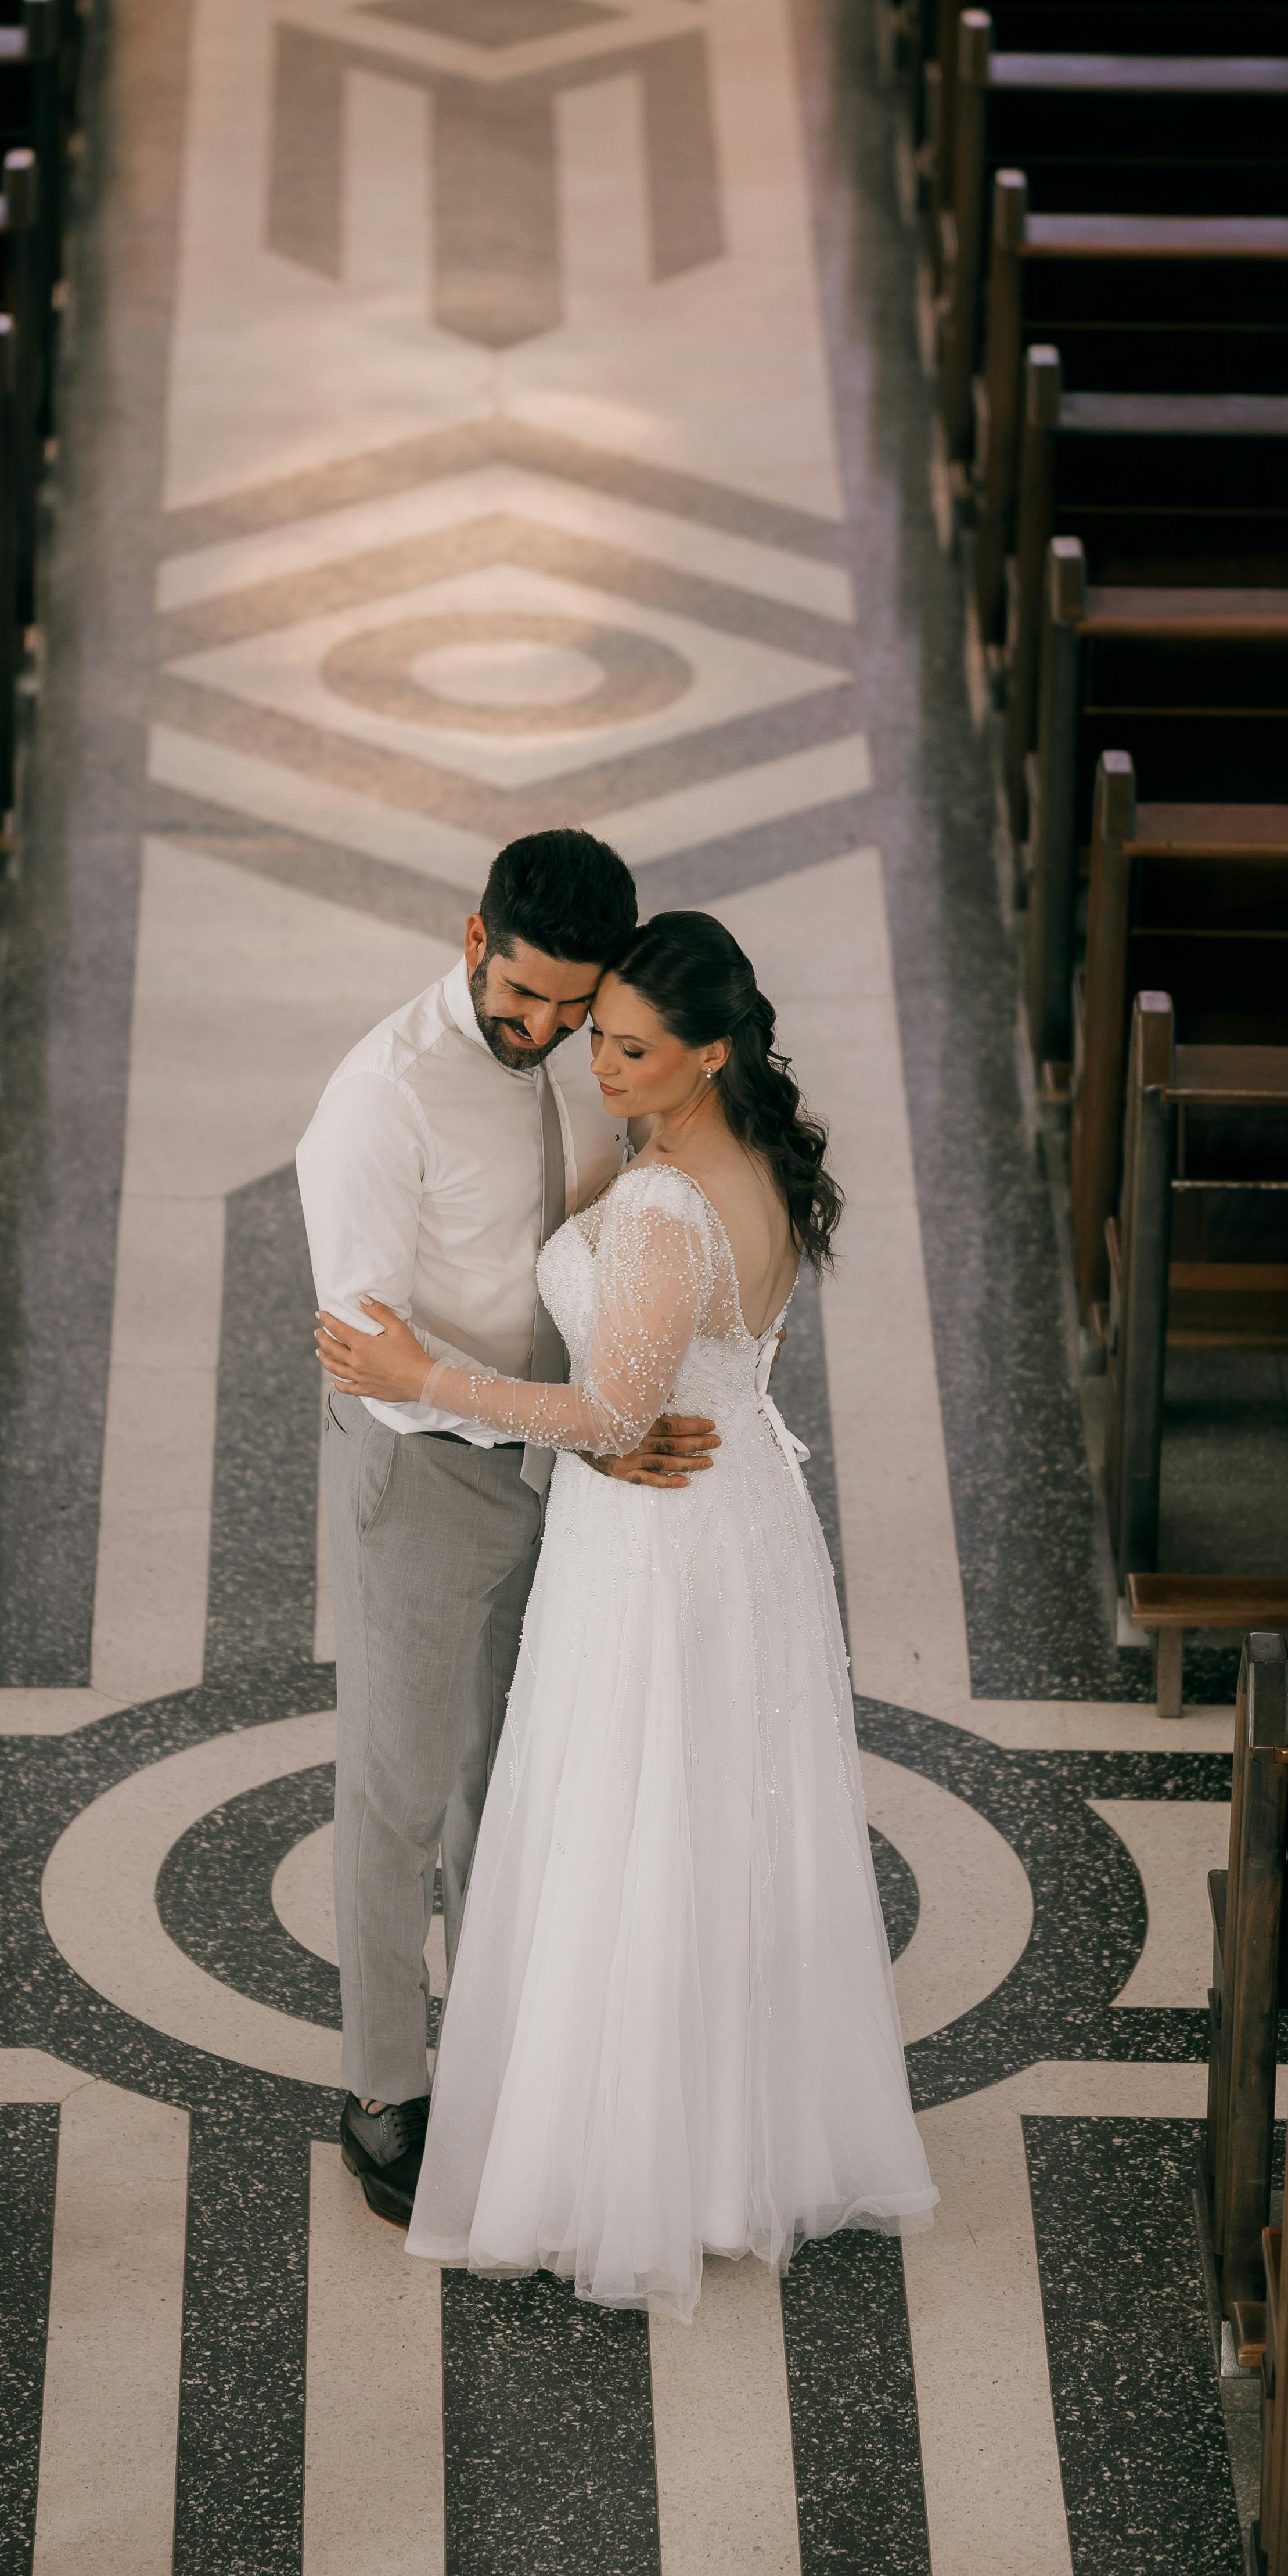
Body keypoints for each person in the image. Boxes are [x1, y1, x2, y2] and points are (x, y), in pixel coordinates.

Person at [315, 909, 937, 2319]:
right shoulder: (745, 1158)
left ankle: (620, 2151)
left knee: (626, 1816)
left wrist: (422, 1366)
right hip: (733, 1527)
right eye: (598, 1035)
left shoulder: (665, 1207)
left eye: (631, 1047)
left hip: (656, 1539)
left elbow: (610, 1410)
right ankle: (722, 2138)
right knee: (709, 1823)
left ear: (708, 1053)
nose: (598, 1062)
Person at [296, 830, 721, 2229]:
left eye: (572, 1007)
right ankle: (383, 2088)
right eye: (522, 996)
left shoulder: (594, 1049)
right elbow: (368, 1346)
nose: (542, 1031)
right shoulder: (377, 1102)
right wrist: (574, 1421)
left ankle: (492, 2052)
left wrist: (600, 1417)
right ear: (473, 935)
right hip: (425, 1472)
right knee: (399, 1790)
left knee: (512, 1780)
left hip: (561, 1462)